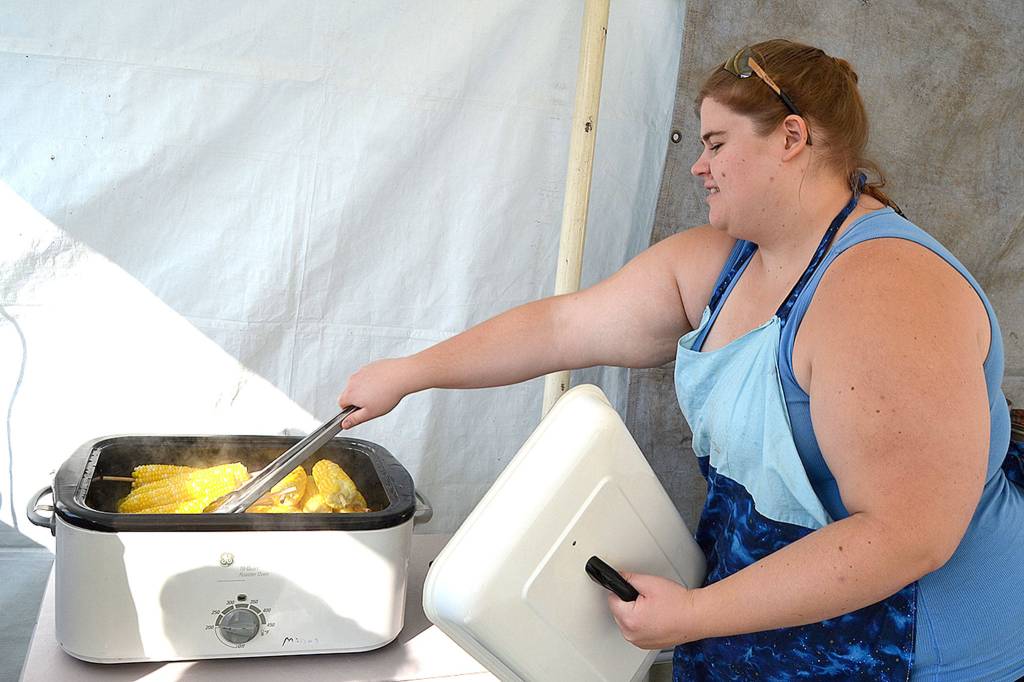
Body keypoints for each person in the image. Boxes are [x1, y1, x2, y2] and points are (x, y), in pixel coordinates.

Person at [337, 38, 1024, 681]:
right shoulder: (719, 264)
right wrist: (410, 372)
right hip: (765, 611)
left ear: (792, 137)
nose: (698, 165)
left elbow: (906, 538)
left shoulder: (887, 290)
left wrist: (695, 615)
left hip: (923, 646)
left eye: (717, 143)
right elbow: (562, 325)